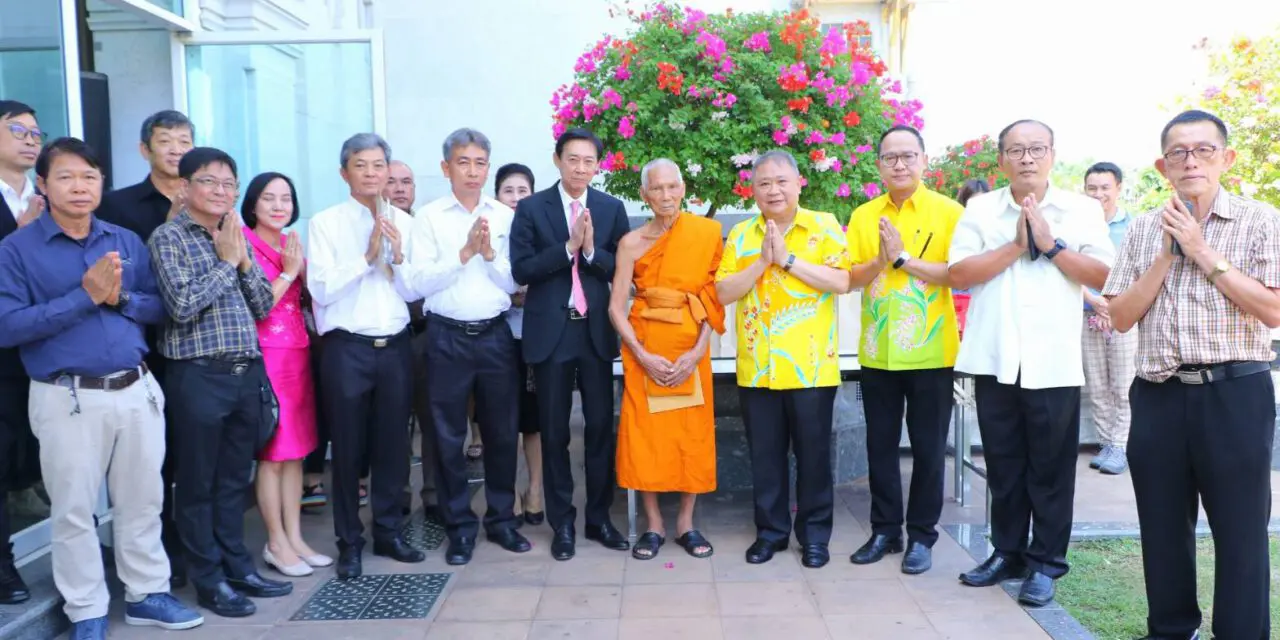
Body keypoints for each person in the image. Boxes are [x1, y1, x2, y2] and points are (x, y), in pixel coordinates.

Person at [0, 137, 205, 639]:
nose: (80, 186)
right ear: (43, 185)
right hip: (67, 396)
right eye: (67, 177)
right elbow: (7, 326)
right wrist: (84, 297)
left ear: (101, 184)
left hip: (135, 388)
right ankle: (86, 610)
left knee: (142, 499)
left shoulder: (124, 239)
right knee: (73, 510)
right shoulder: (16, 250)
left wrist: (121, 300)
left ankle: (147, 594)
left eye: (89, 177)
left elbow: (159, 308)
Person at [1104, 110, 1278, 640]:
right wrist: (1165, 255)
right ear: (1163, 166)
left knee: (1241, 531)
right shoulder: (1140, 228)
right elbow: (1119, 316)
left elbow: (1273, 310)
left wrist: (1202, 251)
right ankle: (1171, 629)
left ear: (1225, 158)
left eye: (1203, 150)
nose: (1190, 161)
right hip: (1158, 395)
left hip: (1235, 392)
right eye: (1178, 152)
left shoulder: (1260, 220)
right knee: (1161, 528)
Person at [948, 120, 1113, 606]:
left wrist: (1052, 244)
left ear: (1052, 155)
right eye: (1015, 150)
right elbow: (959, 273)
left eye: (1035, 149)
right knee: (1002, 463)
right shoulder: (981, 208)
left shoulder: (1080, 209)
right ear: (1000, 160)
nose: (1026, 158)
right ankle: (1008, 552)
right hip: (995, 357)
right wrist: (1017, 247)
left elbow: (1103, 273)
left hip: (1053, 361)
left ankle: (1046, 563)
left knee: (1051, 467)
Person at [149, 147, 293, 617]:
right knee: (196, 483)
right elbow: (183, 305)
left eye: (229, 184)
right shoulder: (169, 238)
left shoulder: (235, 237)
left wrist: (244, 262)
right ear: (185, 188)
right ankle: (207, 579)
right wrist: (227, 262)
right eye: (209, 182)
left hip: (244, 373)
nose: (221, 191)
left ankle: (239, 567)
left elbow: (260, 306)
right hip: (198, 376)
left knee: (234, 480)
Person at [715, 150, 851, 568]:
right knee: (765, 457)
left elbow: (842, 280)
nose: (773, 190)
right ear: (752, 189)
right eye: (763, 183)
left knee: (813, 458)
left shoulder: (824, 226)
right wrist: (762, 261)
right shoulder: (740, 234)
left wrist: (788, 261)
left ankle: (814, 537)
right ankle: (770, 533)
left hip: (810, 365)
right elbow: (722, 293)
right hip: (758, 367)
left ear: (798, 183)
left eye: (781, 181)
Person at [407, 128, 529, 565]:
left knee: (500, 431)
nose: (473, 171)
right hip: (445, 335)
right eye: (464, 162)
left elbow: (516, 281)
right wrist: (462, 254)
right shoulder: (429, 217)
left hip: (495, 334)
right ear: (446, 168)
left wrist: (490, 256)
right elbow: (415, 283)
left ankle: (501, 520)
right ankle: (459, 527)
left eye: (480, 163)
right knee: (447, 435)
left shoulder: (504, 215)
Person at [845, 126, 963, 575]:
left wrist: (902, 260)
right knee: (879, 445)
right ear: (878, 164)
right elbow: (850, 279)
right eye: (890, 157)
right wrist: (878, 259)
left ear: (923, 160)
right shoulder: (863, 216)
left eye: (908, 156)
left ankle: (922, 536)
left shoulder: (948, 212)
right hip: (878, 352)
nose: (899, 164)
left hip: (932, 352)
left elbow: (960, 275)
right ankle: (884, 530)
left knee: (930, 449)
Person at [307, 133, 425, 579]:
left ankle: (390, 532)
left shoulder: (406, 222)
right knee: (349, 450)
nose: (373, 174)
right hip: (347, 348)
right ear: (345, 172)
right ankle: (349, 542)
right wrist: (367, 256)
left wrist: (395, 258)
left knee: (394, 446)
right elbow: (320, 289)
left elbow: (415, 291)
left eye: (380, 166)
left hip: (395, 344)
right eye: (362, 166)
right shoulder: (326, 223)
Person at [510, 127, 631, 561]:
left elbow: (623, 268)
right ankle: (563, 523)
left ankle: (599, 519)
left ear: (598, 165)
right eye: (573, 159)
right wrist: (567, 248)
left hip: (595, 332)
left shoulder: (611, 208)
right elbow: (521, 268)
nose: (581, 168)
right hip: (551, 334)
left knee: (600, 428)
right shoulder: (530, 208)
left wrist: (594, 251)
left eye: (589, 161)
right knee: (555, 431)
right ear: (558, 159)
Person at [94, 108, 196, 588]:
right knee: (144, 462)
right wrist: (171, 225)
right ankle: (153, 555)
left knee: (186, 454)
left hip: (193, 348)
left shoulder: (210, 201)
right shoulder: (116, 206)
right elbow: (118, 282)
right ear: (145, 149)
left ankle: (188, 551)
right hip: (141, 348)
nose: (176, 149)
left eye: (184, 141)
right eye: (166, 141)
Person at [609, 158, 724, 561]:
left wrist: (696, 353)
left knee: (690, 437)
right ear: (644, 194)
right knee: (647, 439)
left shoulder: (706, 233)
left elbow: (712, 299)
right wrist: (641, 355)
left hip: (690, 349)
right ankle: (654, 524)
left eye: (672, 187)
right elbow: (615, 308)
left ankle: (686, 524)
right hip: (646, 350)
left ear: (683, 188)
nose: (665, 196)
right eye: (656, 189)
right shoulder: (631, 243)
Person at [240, 172, 332, 576]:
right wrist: (290, 272)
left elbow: (314, 296)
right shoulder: (243, 243)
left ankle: (295, 537)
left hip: (298, 353)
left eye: (286, 199)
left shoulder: (290, 244)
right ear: (253, 204)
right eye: (268, 198)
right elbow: (256, 305)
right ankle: (275, 542)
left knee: (296, 452)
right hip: (267, 355)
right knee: (272, 455)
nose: (279, 206)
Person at [0, 99, 42, 605]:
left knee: (45, 460)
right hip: (3, 355)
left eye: (35, 132)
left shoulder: (47, 195)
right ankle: (5, 566)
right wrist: (21, 235)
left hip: (48, 352)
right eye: (18, 130)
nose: (31, 139)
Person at [382, 159, 438, 517]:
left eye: (407, 182)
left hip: (426, 334)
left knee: (434, 419)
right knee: (392, 424)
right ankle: (396, 497)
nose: (400, 189)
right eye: (393, 182)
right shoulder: (371, 227)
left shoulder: (425, 227)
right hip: (389, 337)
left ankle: (434, 495)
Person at [493, 162, 543, 525]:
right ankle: (505, 494)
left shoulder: (540, 228)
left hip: (535, 336)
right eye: (507, 190)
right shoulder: (488, 228)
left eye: (521, 191)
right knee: (501, 422)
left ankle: (536, 491)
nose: (514, 198)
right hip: (497, 338)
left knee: (534, 422)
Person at [1080, 162, 1135, 476]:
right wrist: (1092, 301)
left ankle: (1121, 446)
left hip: (1124, 317)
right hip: (1088, 314)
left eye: (1105, 187)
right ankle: (1106, 443)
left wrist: (1112, 307)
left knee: (1123, 384)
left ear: (1118, 188)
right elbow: (1067, 272)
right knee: (1097, 384)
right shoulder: (1078, 227)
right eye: (1092, 188)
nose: (1098, 194)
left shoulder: (1133, 226)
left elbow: (1142, 274)